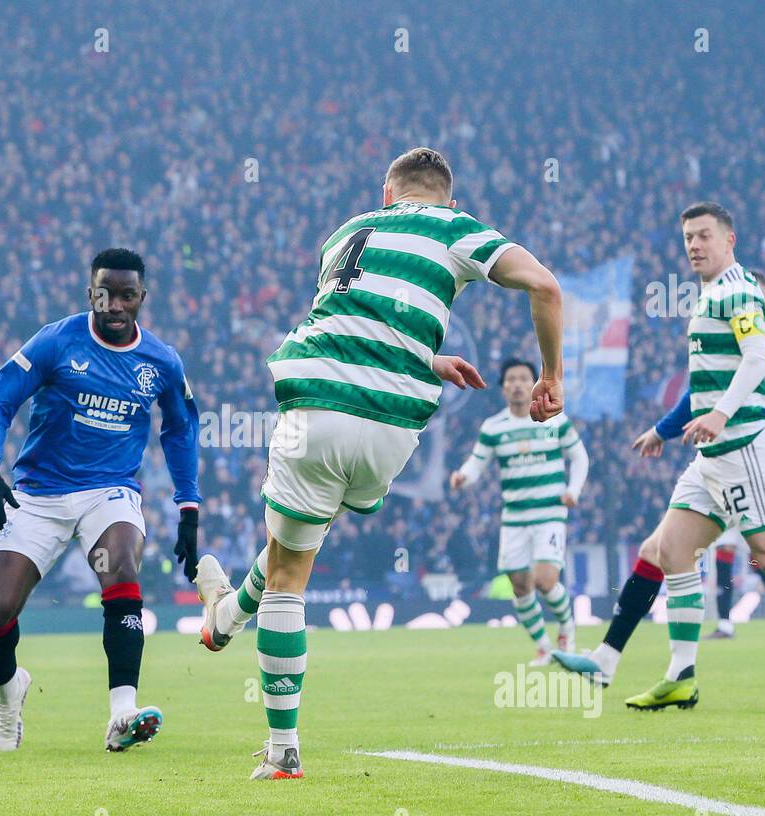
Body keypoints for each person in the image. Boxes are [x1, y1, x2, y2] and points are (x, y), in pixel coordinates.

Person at [194, 147, 565, 779]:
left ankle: (282, 751)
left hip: (312, 405)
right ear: (445, 198)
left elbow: (354, 327)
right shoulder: (456, 226)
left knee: (288, 575)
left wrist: (425, 357)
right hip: (391, 426)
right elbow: (546, 286)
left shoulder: (342, 236)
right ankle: (223, 617)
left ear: (387, 195)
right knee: (296, 550)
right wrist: (551, 376)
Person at [553, 202, 765, 709]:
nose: (694, 245)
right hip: (711, 459)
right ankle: (669, 672)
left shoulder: (738, 292)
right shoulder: (709, 295)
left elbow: (757, 360)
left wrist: (723, 416)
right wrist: (666, 429)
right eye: (688, 236)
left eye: (704, 235)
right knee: (668, 551)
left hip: (743, 449)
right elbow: (703, 385)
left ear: (729, 241)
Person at [0, 248, 201, 753]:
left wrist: (189, 507)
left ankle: (123, 713)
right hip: (38, 494)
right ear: (89, 292)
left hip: (110, 490)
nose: (114, 305)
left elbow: (181, 430)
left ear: (142, 298)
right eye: (105, 293)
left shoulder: (161, 361)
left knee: (121, 567)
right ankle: (10, 692)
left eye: (126, 295)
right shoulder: (57, 342)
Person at [449, 358, 588, 664]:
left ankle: (567, 629)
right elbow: (477, 463)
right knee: (521, 587)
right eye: (510, 379)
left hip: (549, 514)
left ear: (534, 383)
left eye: (524, 378)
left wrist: (573, 490)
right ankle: (543, 646)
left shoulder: (554, 420)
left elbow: (579, 457)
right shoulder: (494, 427)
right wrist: (462, 476)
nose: (517, 384)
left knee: (545, 580)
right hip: (514, 519)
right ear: (503, 388)